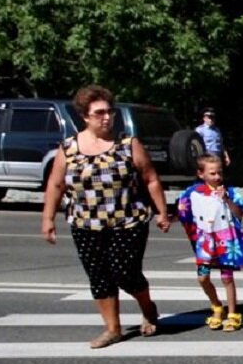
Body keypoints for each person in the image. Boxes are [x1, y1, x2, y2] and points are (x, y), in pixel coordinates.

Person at [40, 85, 171, 348]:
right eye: (99, 113)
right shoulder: (69, 149)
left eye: (110, 112)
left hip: (128, 221)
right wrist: (48, 219)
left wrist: (162, 212)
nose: (107, 117)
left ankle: (147, 306)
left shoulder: (127, 144)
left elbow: (151, 178)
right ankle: (113, 329)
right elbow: (55, 185)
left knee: (126, 272)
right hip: (85, 223)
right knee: (99, 276)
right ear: (85, 116)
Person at [176, 153, 243, 332]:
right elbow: (182, 210)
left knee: (227, 277)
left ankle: (232, 313)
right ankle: (216, 306)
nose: (217, 177)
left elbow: (240, 213)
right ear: (201, 174)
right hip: (206, 242)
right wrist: (167, 219)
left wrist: (226, 199)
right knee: (203, 277)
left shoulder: (230, 192)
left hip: (225, 241)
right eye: (212, 173)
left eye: (219, 173)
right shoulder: (193, 192)